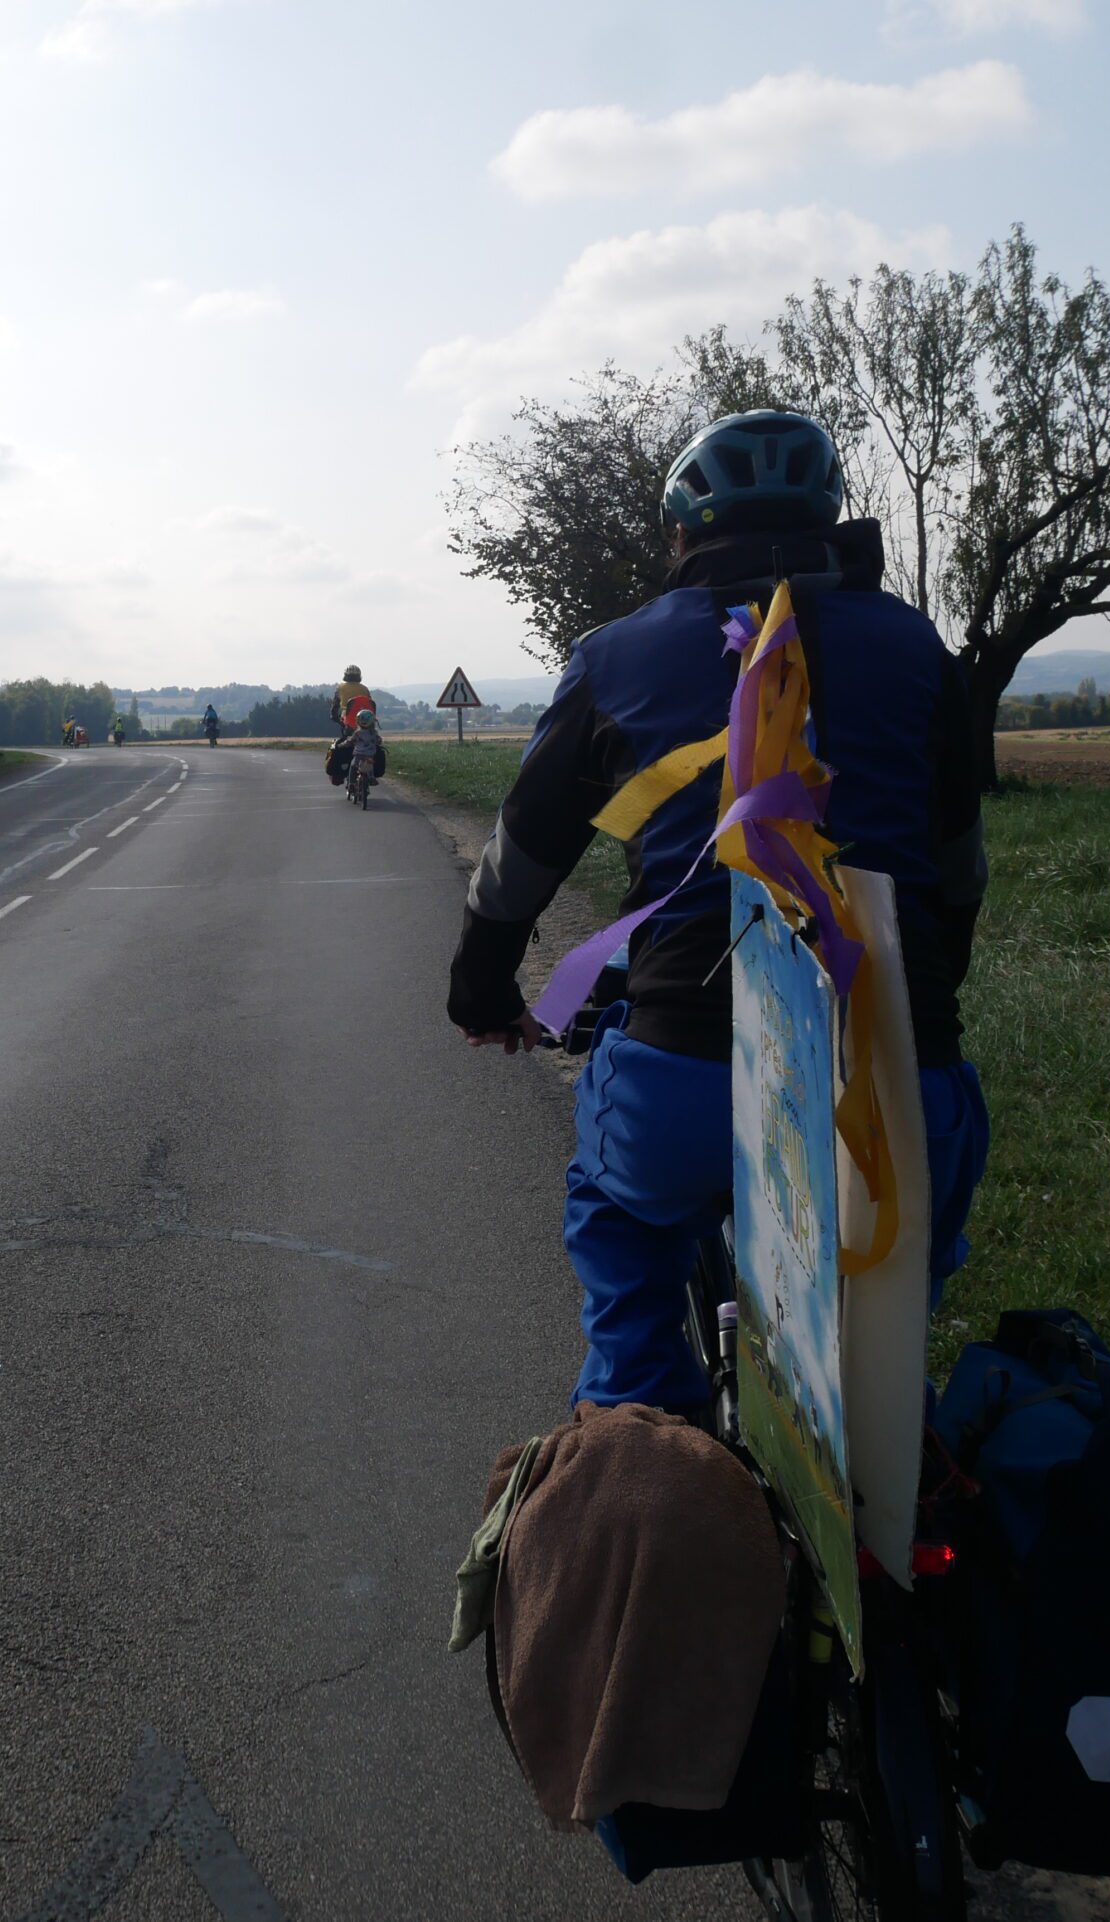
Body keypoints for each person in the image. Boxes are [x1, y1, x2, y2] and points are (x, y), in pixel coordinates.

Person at [447, 410, 991, 1414]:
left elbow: (520, 864)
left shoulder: (612, 657)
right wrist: (927, 1004)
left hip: (688, 1086)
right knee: (904, 1298)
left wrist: (480, 990)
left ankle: (642, 1431)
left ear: (683, 534)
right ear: (829, 518)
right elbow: (957, 875)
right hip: (897, 1092)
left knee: (618, 1215)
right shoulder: (919, 651)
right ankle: (893, 1445)